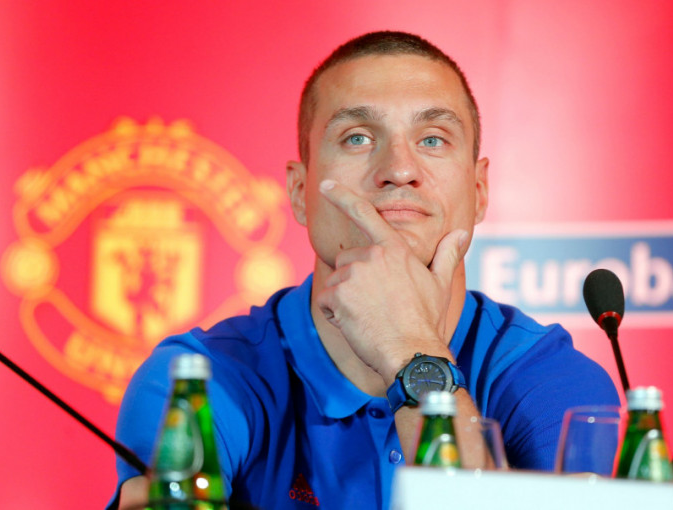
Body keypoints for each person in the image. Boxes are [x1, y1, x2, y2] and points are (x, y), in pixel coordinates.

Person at [111, 31, 619, 510]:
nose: (399, 169)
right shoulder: (199, 380)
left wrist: (409, 352)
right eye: (356, 138)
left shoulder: (550, 380)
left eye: (433, 139)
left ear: (479, 190)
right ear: (299, 192)